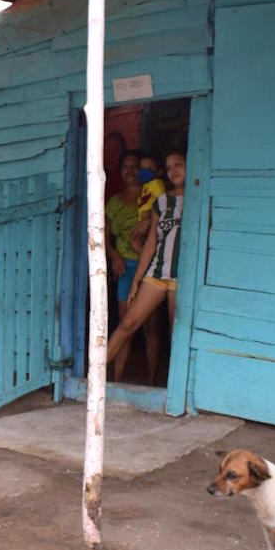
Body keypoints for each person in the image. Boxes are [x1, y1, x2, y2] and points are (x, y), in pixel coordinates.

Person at [106, 149, 186, 376]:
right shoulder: (162, 201)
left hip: (182, 277)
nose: (173, 171)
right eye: (169, 168)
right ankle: (95, 377)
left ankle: (172, 391)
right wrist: (136, 282)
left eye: (178, 165)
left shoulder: (197, 199)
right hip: (157, 273)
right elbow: (151, 243)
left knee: (175, 335)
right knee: (129, 323)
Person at [105, 149, 162, 384]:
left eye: (135, 166)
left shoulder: (155, 194)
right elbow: (102, 234)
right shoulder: (115, 201)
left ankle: (152, 382)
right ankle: (115, 381)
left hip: (151, 267)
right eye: (125, 166)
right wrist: (114, 255)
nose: (130, 171)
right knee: (125, 325)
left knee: (151, 327)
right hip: (126, 267)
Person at [130, 152, 166, 253]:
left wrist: (149, 219)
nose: (144, 171)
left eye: (150, 169)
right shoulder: (146, 186)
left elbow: (163, 204)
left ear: (159, 172)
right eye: (142, 168)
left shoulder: (156, 184)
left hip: (154, 224)